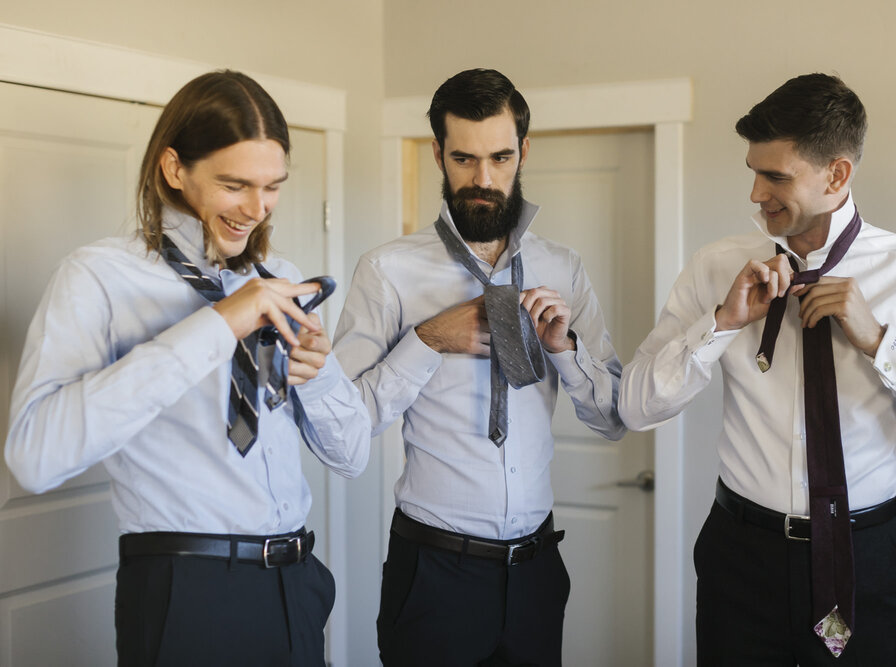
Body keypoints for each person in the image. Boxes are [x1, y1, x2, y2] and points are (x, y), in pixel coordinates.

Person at [618, 73, 896, 665]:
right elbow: (636, 406)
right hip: (740, 559)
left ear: (837, 174)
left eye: (775, 176)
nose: (754, 194)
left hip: (862, 556)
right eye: (753, 170)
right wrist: (720, 323)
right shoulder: (717, 266)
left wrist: (882, 343)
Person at [4, 70, 371, 666]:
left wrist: (319, 371)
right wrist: (219, 324)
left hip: (298, 588)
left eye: (272, 186)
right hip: (187, 596)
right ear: (175, 169)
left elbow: (352, 455)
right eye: (235, 185)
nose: (256, 209)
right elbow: (34, 456)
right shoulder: (98, 278)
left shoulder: (278, 276)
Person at [333, 68, 626, 666]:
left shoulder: (563, 268)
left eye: (500, 157)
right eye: (464, 159)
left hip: (537, 572)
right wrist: (427, 340)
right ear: (438, 154)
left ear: (524, 150)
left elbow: (612, 418)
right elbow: (345, 424)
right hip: (435, 572)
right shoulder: (387, 270)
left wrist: (565, 352)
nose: (483, 180)